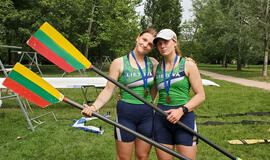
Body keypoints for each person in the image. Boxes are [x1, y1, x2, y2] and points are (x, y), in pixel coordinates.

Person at [82, 28, 158, 160]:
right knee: (124, 158)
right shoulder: (119, 63)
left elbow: (155, 87)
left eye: (150, 44)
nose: (145, 44)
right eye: (144, 39)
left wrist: (187, 61)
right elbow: (108, 90)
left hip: (147, 115)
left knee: (142, 156)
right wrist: (93, 107)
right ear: (138, 38)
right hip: (126, 115)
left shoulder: (154, 63)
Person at [152, 29, 205, 160]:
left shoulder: (188, 65)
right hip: (161, 118)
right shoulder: (156, 68)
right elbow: (150, 96)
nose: (162, 46)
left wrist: (181, 110)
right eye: (159, 43)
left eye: (166, 42)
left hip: (184, 117)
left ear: (174, 42)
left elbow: (201, 95)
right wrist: (124, 95)